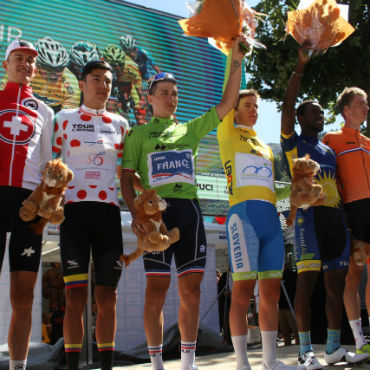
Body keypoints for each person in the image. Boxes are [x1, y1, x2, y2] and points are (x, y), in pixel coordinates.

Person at [120, 35, 247, 370]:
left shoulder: (189, 129)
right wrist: (135, 212)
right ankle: (158, 364)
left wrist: (236, 60)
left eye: (175, 93)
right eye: (164, 92)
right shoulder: (137, 134)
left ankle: (188, 363)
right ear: (148, 98)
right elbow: (125, 177)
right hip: (155, 217)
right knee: (155, 291)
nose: (171, 98)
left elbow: (228, 103)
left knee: (191, 291)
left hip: (189, 211)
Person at [280, 46, 368, 369]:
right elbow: (287, 106)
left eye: (321, 111)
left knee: (336, 284)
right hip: (308, 220)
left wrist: (345, 217)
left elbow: (341, 187)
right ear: (301, 118)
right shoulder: (294, 142)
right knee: (306, 284)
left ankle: (332, 346)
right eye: (312, 111)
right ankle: (305, 351)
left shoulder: (327, 149)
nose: (319, 114)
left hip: (334, 221)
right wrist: (300, 65)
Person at [217, 88, 303, 370]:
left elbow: (268, 189)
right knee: (242, 292)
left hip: (270, 217)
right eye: (248, 105)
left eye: (257, 106)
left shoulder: (264, 146)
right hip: (242, 216)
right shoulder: (228, 131)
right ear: (235, 109)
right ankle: (242, 363)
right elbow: (228, 94)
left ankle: (270, 361)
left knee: (272, 293)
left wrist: (295, 195)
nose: (254, 110)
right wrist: (236, 49)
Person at [52, 60, 129, 370]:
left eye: (107, 81)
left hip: (108, 216)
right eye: (96, 79)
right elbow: (50, 167)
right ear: (82, 84)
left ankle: (106, 366)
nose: (103, 85)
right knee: (73, 299)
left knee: (107, 298)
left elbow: (127, 175)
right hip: (74, 215)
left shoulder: (121, 123)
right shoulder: (63, 118)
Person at [0, 39, 54, 370]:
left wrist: (46, 209)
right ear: (6, 64)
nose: (25, 64)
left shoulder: (46, 111)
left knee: (24, 297)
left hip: (27, 206)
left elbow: (49, 168)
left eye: (30, 60)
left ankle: (18, 367)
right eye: (18, 58)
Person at [322, 87, 370, 358]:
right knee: (352, 277)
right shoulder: (332, 139)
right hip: (353, 213)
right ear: (347, 110)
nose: (366, 108)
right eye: (361, 104)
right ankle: (359, 340)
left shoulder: (368, 141)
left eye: (366, 104)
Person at [32, 37, 80, 113]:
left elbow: (68, 115)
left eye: (59, 69)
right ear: (37, 65)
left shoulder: (70, 81)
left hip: (55, 111)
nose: (54, 74)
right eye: (48, 68)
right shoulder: (27, 72)